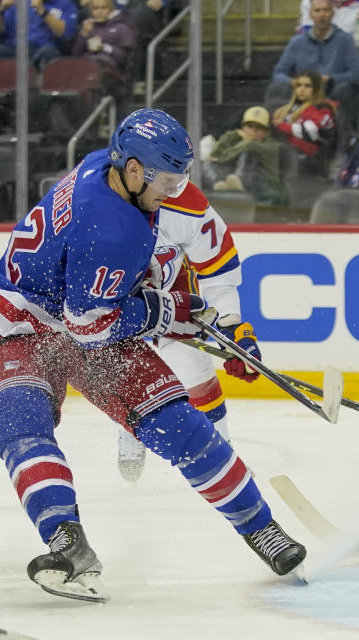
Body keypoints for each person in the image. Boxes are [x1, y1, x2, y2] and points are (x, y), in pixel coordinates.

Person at [0, 108, 306, 603]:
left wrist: (210, 317)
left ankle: (262, 529)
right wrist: (164, 309)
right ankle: (67, 541)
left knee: (180, 423)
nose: (174, 189)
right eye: (167, 179)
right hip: (23, 321)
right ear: (132, 171)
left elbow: (108, 293)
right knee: (21, 423)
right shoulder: (112, 229)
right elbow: (91, 326)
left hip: (82, 309)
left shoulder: (104, 165)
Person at [117, 180, 264, 481]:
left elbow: (219, 276)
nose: (170, 184)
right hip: (113, 302)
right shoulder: (98, 200)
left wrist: (235, 330)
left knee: (196, 371)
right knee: (122, 370)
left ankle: (224, 456)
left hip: (171, 296)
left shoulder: (188, 205)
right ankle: (128, 427)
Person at [265, 0, 359, 150]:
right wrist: (293, 82)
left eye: (325, 10)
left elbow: (356, 74)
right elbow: (278, 72)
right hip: (304, 92)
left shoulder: (345, 40)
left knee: (345, 90)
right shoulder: (297, 42)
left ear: (333, 13)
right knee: (275, 89)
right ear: (311, 14)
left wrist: (332, 79)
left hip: (330, 91)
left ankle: (344, 146)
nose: (322, 15)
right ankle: (270, 137)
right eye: (317, 11)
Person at [203, 105, 288, 205]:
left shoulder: (272, 146)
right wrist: (233, 135)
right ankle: (218, 183)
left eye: (259, 127)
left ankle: (239, 180)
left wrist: (222, 157)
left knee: (248, 154)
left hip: (269, 194)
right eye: (250, 126)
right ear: (243, 127)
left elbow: (248, 146)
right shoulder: (240, 142)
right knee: (207, 164)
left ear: (267, 131)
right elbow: (215, 155)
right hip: (246, 192)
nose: (254, 131)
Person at [271, 69, 339, 176]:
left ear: (316, 89)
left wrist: (280, 125)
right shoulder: (286, 109)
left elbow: (309, 132)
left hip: (311, 163)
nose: (301, 89)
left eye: (307, 86)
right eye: (299, 85)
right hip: (287, 154)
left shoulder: (322, 108)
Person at [0, 0, 79, 69]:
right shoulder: (19, 3)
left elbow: (65, 34)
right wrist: (1, 10)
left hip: (42, 50)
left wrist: (42, 11)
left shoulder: (65, 5)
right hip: (15, 49)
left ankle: (29, 78)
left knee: (48, 53)